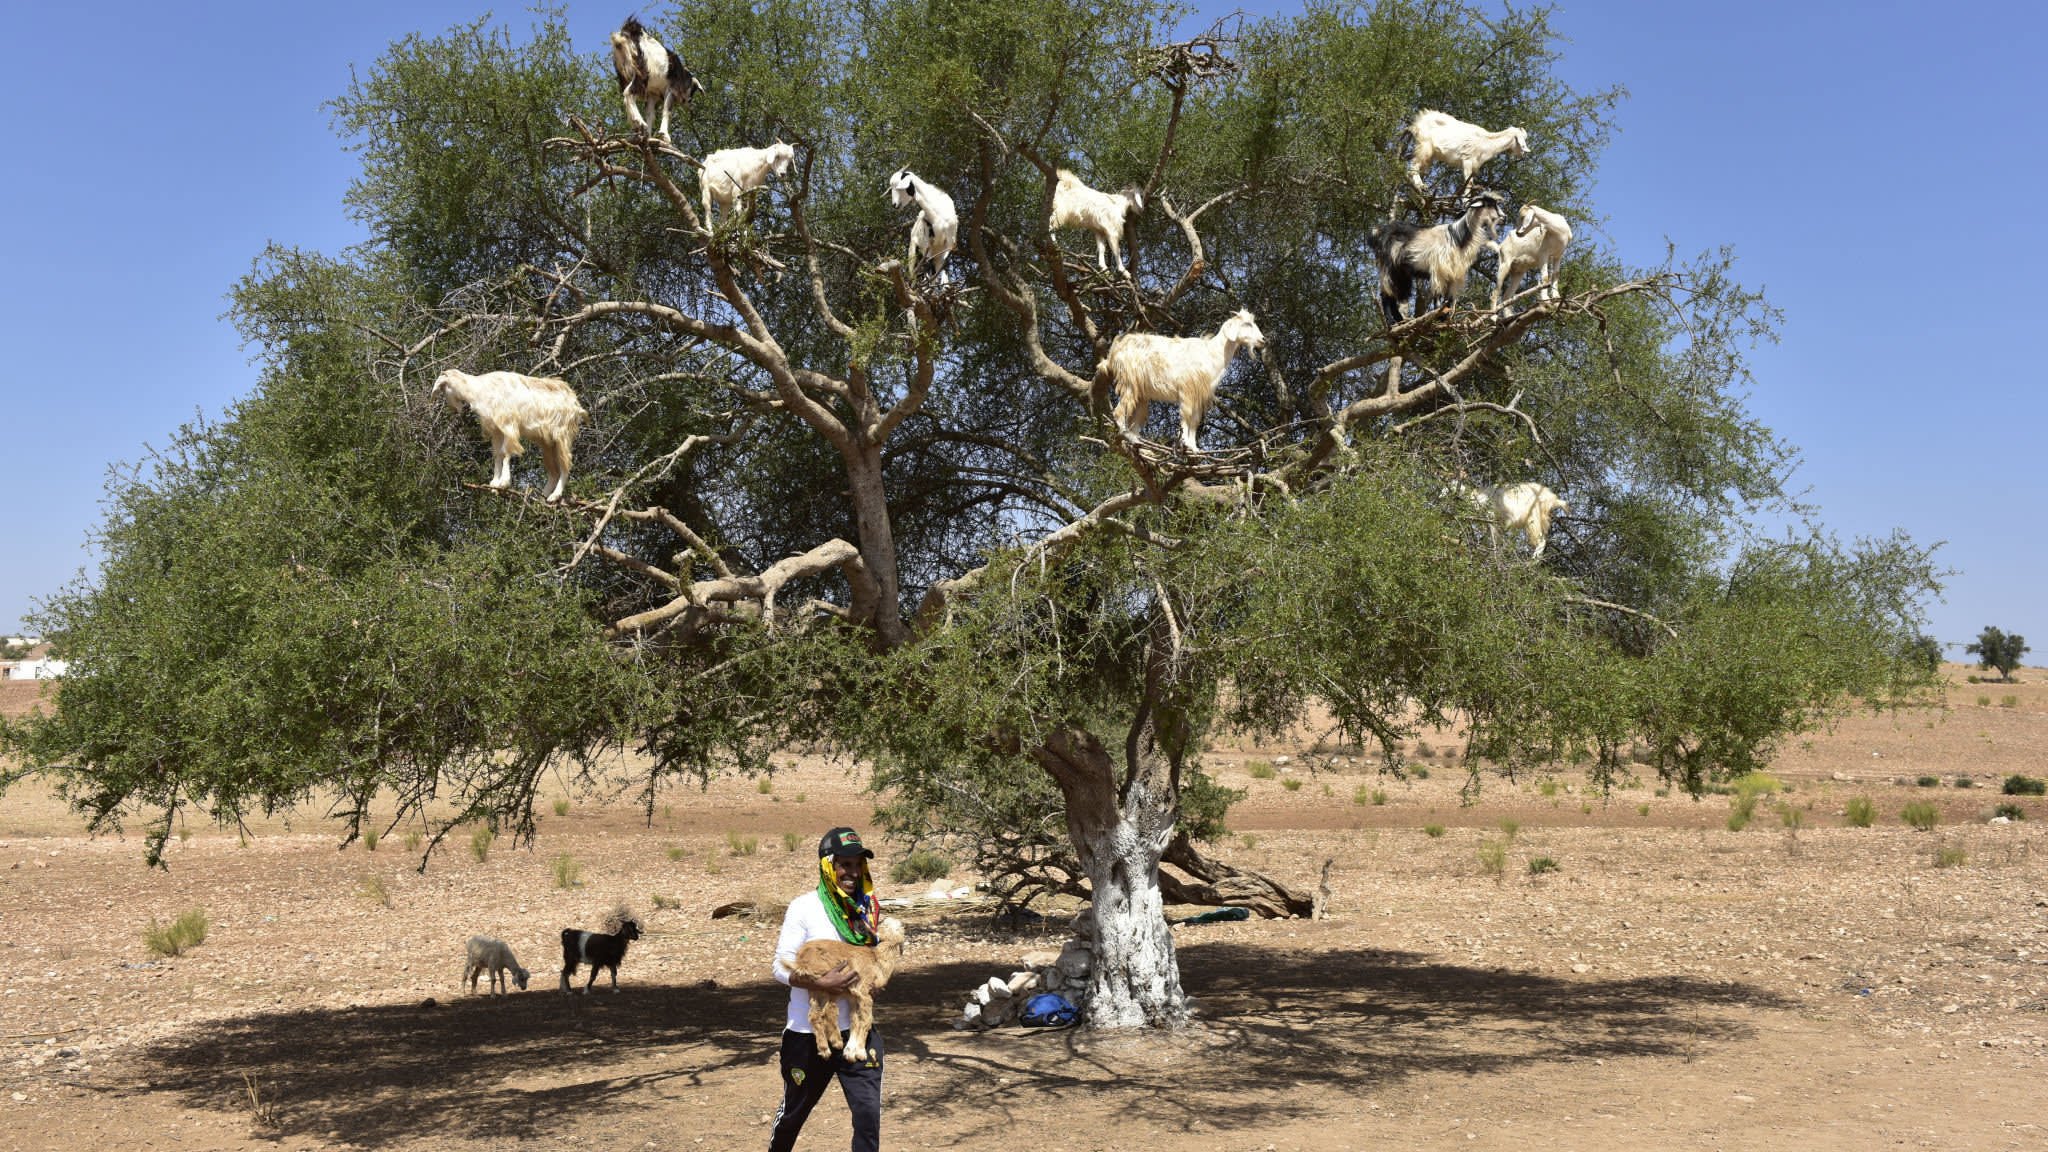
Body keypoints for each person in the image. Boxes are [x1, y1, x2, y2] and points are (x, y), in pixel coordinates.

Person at [769, 826, 884, 1152]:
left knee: (867, 1116)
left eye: (857, 864)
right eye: (844, 864)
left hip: (858, 1037)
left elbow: (870, 962)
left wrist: (873, 983)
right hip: (809, 1034)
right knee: (793, 1114)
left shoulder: (867, 910)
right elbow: (780, 967)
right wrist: (820, 983)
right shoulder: (804, 908)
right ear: (827, 866)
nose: (851, 872)